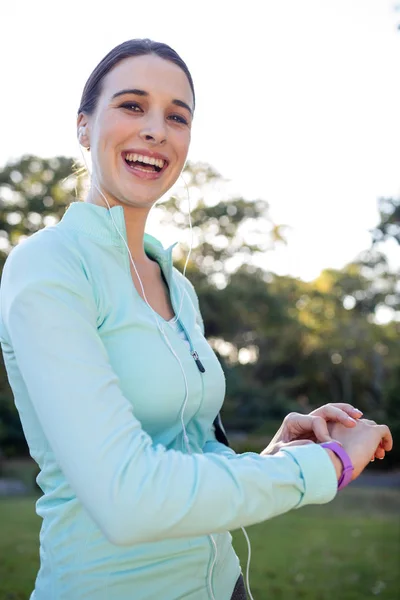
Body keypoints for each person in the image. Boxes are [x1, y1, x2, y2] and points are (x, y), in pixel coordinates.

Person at [0, 39, 392, 600]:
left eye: (177, 116)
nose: (157, 129)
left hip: (224, 585)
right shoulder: (49, 265)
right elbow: (126, 498)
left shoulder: (175, 282)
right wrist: (324, 466)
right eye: (133, 106)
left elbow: (183, 457)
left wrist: (274, 456)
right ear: (84, 128)